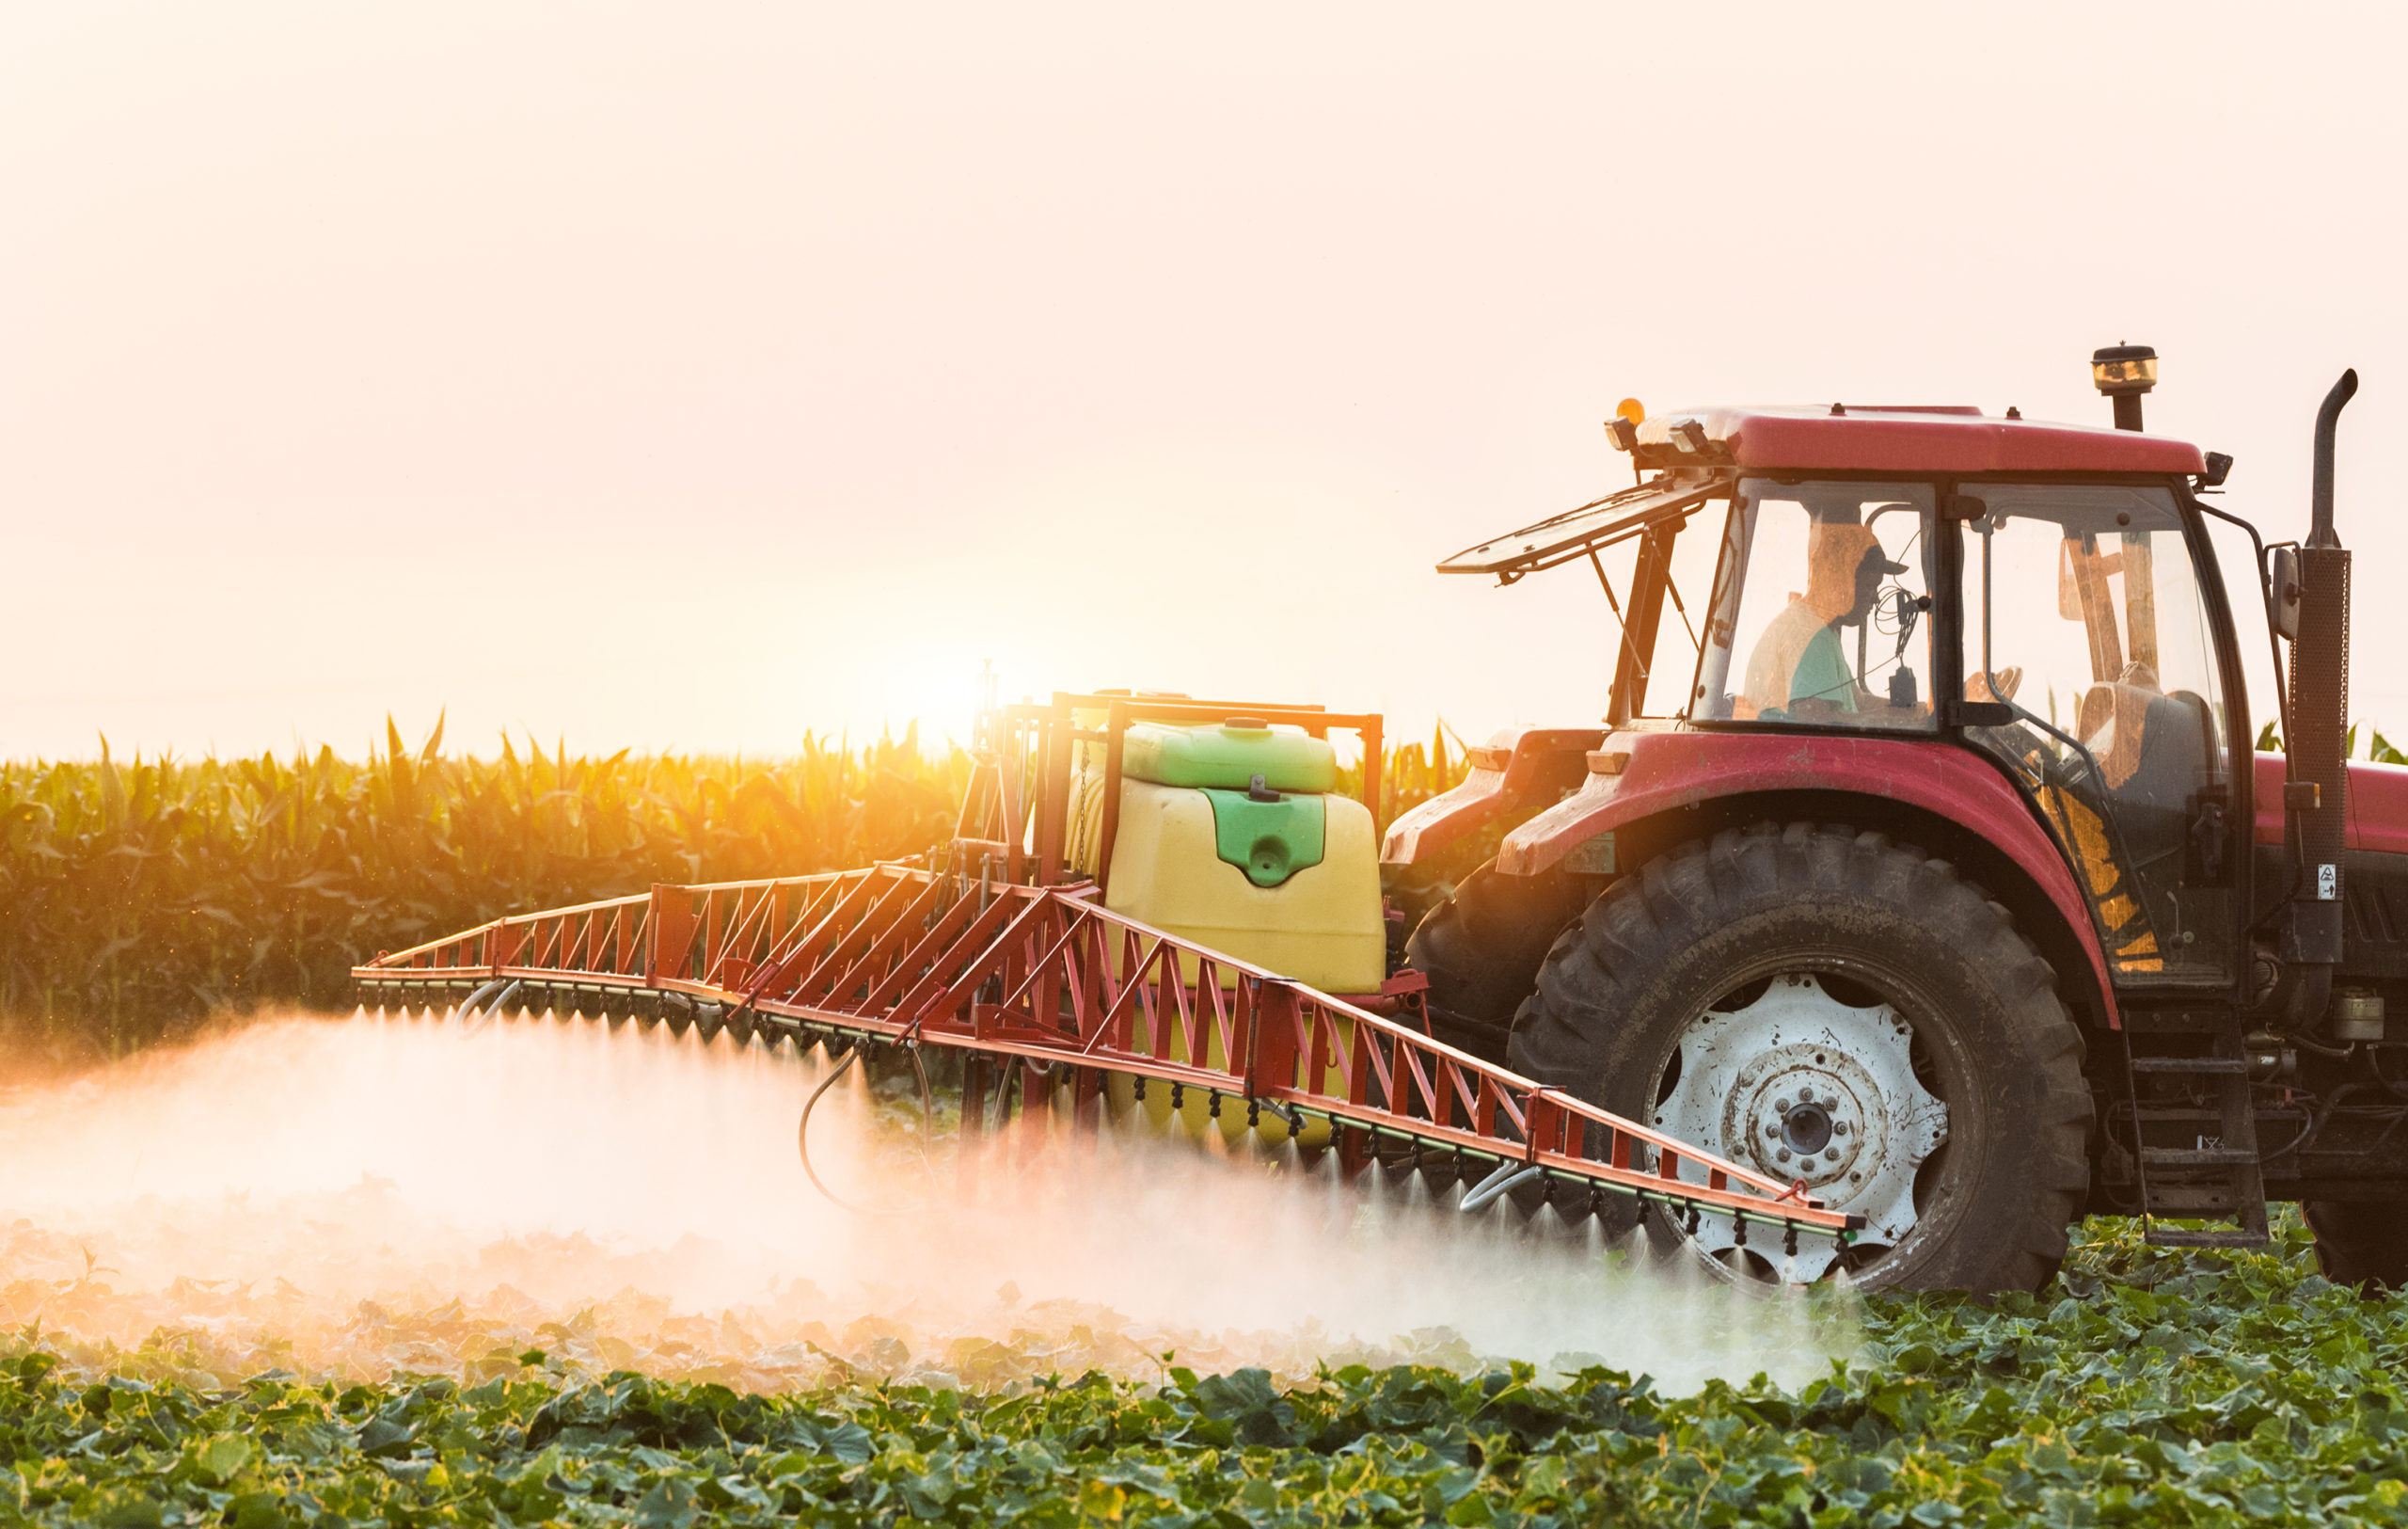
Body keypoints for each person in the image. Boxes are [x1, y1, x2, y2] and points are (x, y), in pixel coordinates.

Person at [1742, 522, 1905, 717]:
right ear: (1840, 580)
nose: (1876, 598)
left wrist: (1920, 713)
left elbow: (1859, 701)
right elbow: (1814, 720)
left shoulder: (1819, 627)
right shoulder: (1809, 634)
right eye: (1871, 585)